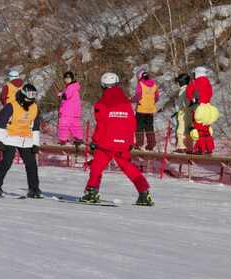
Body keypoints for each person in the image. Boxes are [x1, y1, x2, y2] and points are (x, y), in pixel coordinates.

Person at [83, 72, 153, 206]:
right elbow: (132, 123)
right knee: (128, 167)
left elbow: (101, 125)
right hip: (123, 143)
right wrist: (130, 141)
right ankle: (144, 193)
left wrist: (94, 141)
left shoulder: (101, 104)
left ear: (103, 86)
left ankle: (92, 192)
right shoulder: (126, 103)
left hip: (106, 143)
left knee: (97, 166)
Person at [0, 83, 42, 198]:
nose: (30, 102)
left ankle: (34, 189)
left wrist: (36, 143)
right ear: (22, 96)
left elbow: (35, 126)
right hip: (10, 138)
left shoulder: (35, 108)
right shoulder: (11, 106)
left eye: (32, 99)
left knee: (31, 164)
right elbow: (1, 124)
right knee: (6, 162)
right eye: (27, 99)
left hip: (26, 139)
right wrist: (0, 141)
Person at [186, 66, 216, 155]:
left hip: (198, 108)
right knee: (206, 129)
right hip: (208, 108)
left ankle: (200, 149)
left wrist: (193, 99)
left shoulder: (194, 83)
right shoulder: (208, 83)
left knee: (199, 129)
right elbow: (211, 94)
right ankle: (209, 148)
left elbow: (188, 93)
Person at [134, 69, 159, 151]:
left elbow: (138, 96)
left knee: (139, 127)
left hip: (141, 109)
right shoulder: (154, 85)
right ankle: (151, 144)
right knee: (149, 127)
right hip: (150, 110)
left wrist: (131, 99)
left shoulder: (140, 84)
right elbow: (157, 98)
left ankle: (139, 144)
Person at [57, 71, 83, 146]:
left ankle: (63, 140)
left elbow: (66, 96)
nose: (66, 80)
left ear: (71, 79)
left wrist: (61, 94)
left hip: (68, 111)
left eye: (68, 78)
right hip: (74, 112)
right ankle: (78, 139)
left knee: (63, 125)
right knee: (75, 126)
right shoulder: (73, 87)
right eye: (65, 78)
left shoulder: (71, 87)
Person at [174, 73, 193, 153]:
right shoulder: (189, 89)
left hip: (183, 113)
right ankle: (189, 147)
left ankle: (181, 147)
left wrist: (177, 108)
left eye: (178, 81)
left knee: (180, 130)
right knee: (188, 130)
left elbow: (182, 103)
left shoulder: (183, 91)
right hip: (189, 113)